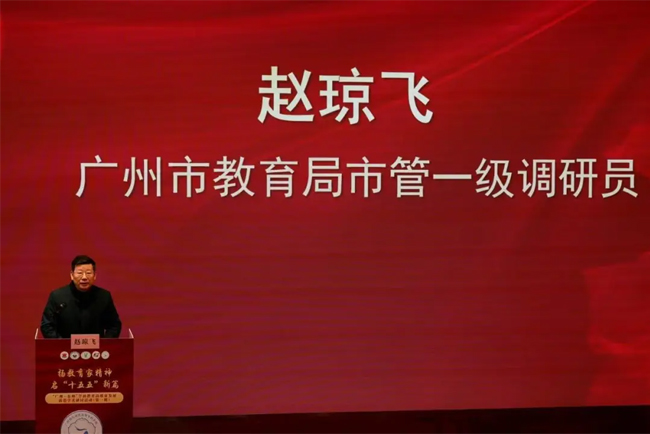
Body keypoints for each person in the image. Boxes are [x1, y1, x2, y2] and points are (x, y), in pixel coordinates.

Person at [40, 255, 122, 339]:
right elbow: (47, 325)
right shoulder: (57, 296)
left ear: (95, 275)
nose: (84, 277)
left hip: (96, 347)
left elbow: (114, 326)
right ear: (72, 275)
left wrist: (104, 344)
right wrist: (63, 343)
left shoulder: (104, 296)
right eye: (80, 273)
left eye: (88, 273)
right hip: (64, 346)